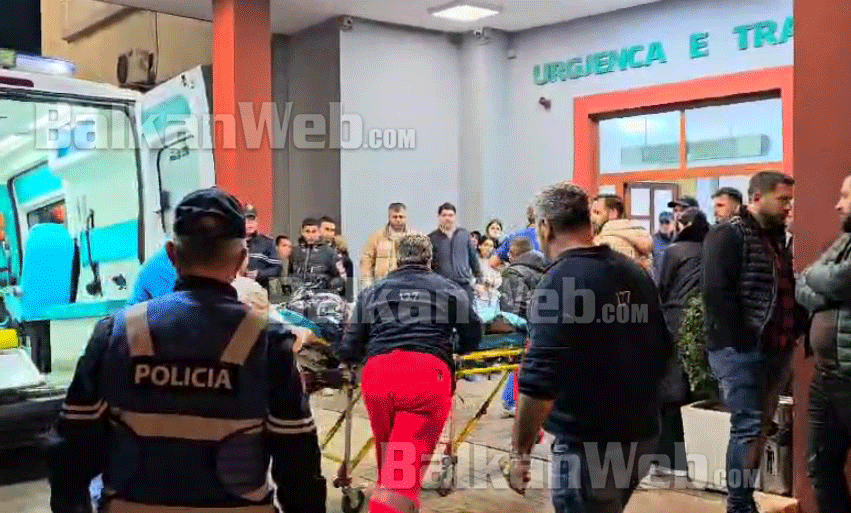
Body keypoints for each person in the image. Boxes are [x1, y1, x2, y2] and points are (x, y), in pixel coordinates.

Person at [48, 187, 326, 513]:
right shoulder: (268, 342)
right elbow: (298, 464)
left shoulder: (116, 333)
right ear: (241, 259)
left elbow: (70, 451)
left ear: (171, 254)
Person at [506, 182, 672, 513]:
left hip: (588, 446)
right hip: (640, 437)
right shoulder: (633, 272)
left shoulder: (559, 281)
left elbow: (539, 380)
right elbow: (663, 348)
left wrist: (519, 453)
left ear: (545, 227)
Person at [337, 233, 482, 513]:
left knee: (391, 459)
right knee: (400, 477)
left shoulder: (372, 292)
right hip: (424, 378)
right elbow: (473, 333)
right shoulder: (450, 289)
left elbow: (350, 345)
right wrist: (455, 348)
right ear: (430, 259)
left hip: (378, 377)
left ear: (397, 258)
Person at [703, 171, 804, 513]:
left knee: (759, 427)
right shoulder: (728, 234)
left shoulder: (776, 237)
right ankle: (739, 504)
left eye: (790, 200)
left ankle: (743, 500)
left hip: (776, 346)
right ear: (758, 197)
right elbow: (716, 292)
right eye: (783, 199)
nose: (788, 206)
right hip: (742, 350)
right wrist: (741, 339)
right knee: (747, 426)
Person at [796, 175, 851, 513]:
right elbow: (803, 280)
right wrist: (824, 290)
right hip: (826, 376)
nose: (838, 204)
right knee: (821, 466)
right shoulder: (844, 241)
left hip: (849, 376)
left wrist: (817, 280)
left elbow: (838, 279)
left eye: (846, 196)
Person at [656, 207, 710, 477]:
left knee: (670, 391)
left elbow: (661, 286)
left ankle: (670, 458)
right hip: (706, 322)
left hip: (675, 321)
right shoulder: (711, 250)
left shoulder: (674, 251)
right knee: (698, 391)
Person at [497, 236, 546, 417]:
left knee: (522, 365)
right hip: (544, 328)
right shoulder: (546, 268)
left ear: (513, 253)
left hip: (524, 330)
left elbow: (515, 307)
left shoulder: (513, 273)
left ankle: (512, 402)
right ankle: (510, 399)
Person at [428, 202, 482, 300]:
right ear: (438, 217)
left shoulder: (464, 235)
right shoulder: (432, 238)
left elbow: (473, 259)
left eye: (450, 215)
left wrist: (479, 281)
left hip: (464, 286)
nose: (447, 218)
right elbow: (428, 264)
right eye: (444, 215)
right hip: (441, 287)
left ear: (455, 217)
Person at [591, 194, 653, 272]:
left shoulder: (606, 243)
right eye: (590, 213)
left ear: (613, 213)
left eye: (597, 213)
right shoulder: (638, 236)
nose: (591, 218)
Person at [360, 202, 412, 289]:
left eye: (401, 217)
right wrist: (367, 282)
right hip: (382, 284)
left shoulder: (413, 237)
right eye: (395, 217)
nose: (398, 220)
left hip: (406, 284)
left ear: (405, 217)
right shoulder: (377, 237)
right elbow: (366, 259)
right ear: (389, 217)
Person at [291, 218, 346, 296]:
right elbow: (290, 273)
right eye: (307, 231)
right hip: (299, 295)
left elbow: (341, 277)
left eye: (314, 231)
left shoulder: (329, 252)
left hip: (322, 296)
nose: (311, 235)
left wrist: (329, 289)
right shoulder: (295, 251)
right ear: (302, 233)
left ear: (319, 233)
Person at [498, 237, 546, 318]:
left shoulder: (512, 273)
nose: (507, 255)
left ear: (513, 253)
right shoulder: (548, 268)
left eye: (509, 252)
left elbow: (512, 313)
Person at [244, 204, 282, 290]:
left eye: (252, 220)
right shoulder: (233, 242)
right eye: (246, 220)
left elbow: (277, 269)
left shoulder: (267, 243)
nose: (250, 224)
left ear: (256, 221)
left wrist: (259, 274)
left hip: (259, 290)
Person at [475, 235, 502, 303]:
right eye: (486, 245)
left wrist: (493, 281)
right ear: (479, 246)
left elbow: (499, 280)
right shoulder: (474, 261)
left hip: (493, 298)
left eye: (491, 246)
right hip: (477, 297)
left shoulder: (495, 262)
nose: (488, 248)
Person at [652, 211, 675, 282]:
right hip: (658, 283)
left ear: (673, 223)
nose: (664, 225)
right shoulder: (653, 241)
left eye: (667, 222)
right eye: (662, 222)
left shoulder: (679, 240)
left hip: (675, 282)